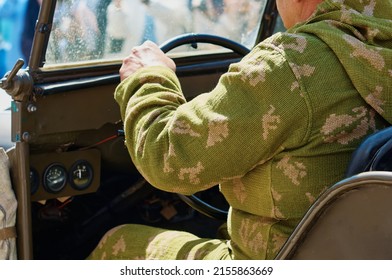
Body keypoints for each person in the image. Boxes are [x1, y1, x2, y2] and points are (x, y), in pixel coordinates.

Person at [87, 0, 392, 260]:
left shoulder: (289, 64)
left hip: (269, 258)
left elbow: (166, 157)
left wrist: (148, 78)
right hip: (364, 252)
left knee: (116, 244)